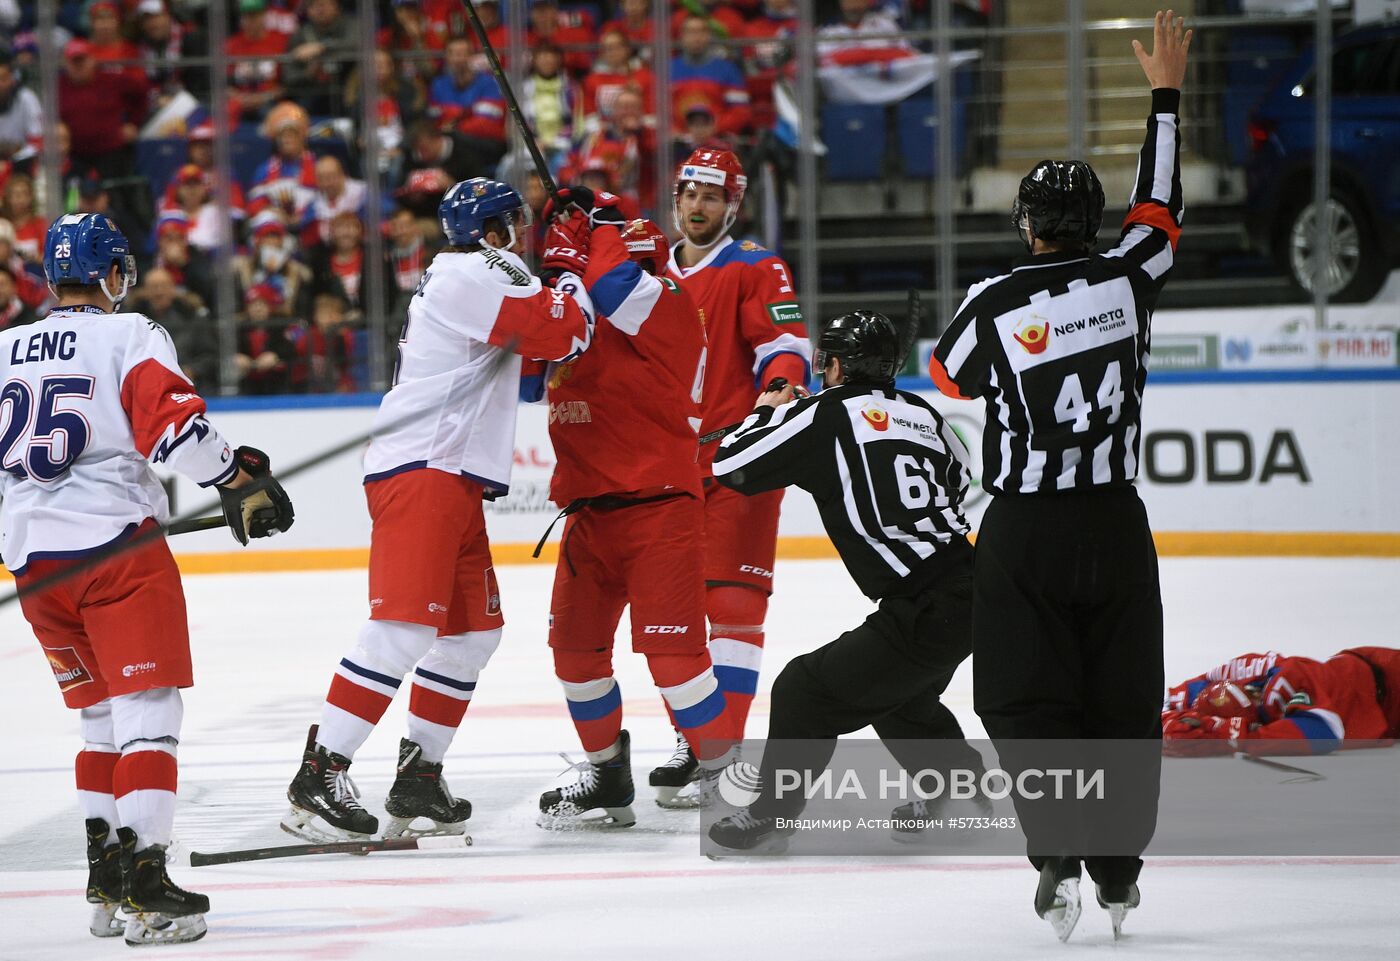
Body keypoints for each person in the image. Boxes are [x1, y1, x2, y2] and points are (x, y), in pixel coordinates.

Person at [926, 10, 1191, 943]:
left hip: (1026, 530)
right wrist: (1164, 96)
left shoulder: (992, 302)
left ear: (1029, 223)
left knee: (1024, 692)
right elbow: (1160, 209)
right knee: (1119, 692)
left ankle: (1056, 861)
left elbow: (948, 375)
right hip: (1116, 524)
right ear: (1092, 222)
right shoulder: (1130, 275)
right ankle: (1120, 870)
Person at [2, 213, 293, 945]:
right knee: (148, 714)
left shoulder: (4, 347)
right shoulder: (128, 332)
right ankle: (149, 886)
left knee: (98, 717)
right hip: (115, 551)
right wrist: (236, 478)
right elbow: (174, 430)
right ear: (109, 273)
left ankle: (105, 882)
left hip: (34, 562)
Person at [283, 178, 595, 842]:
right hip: (424, 468)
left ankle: (420, 773)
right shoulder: (479, 270)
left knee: (472, 635)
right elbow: (566, 334)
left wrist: (564, 270)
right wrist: (571, 264)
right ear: (490, 232)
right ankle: (320, 768)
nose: (524, 233)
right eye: (515, 222)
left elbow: (535, 359)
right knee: (402, 630)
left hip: (450, 475)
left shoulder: (477, 275)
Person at [704, 310, 984, 853]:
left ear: (832, 364)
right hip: (976, 586)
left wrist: (765, 413)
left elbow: (731, 465)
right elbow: (959, 472)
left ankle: (769, 817)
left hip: (925, 607)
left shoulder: (824, 414)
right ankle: (960, 785)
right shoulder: (922, 411)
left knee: (804, 690)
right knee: (900, 698)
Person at [530, 192, 738, 828]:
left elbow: (616, 282)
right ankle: (606, 775)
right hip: (589, 515)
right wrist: (555, 259)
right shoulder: (584, 325)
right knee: (574, 653)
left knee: (677, 662)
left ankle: (731, 780)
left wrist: (595, 228)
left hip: (658, 511)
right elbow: (534, 340)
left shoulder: (669, 308)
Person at [652, 147, 811, 806]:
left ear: (733, 205)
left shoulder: (754, 266)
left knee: (734, 609)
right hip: (662, 470)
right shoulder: (644, 270)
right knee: (672, 618)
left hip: (737, 459)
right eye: (690, 193)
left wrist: (779, 386)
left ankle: (726, 757)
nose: (698, 206)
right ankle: (696, 740)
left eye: (712, 197)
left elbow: (785, 343)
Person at [1162, 647, 1400, 755]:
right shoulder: (1230, 678)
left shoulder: (1287, 688)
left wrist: (1236, 737)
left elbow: (1323, 731)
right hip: (1371, 668)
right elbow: (1164, 702)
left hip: (1390, 689)